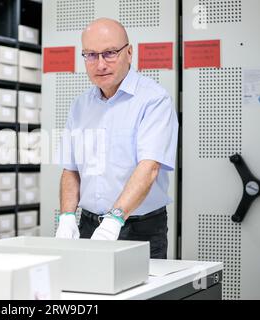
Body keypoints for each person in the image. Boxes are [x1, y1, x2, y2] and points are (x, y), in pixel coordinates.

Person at [55, 18, 178, 259]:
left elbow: (149, 168)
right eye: (90, 55)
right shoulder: (80, 106)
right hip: (89, 225)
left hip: (139, 227)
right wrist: (67, 216)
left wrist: (115, 219)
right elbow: (70, 169)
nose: (100, 64)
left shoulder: (153, 100)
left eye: (109, 53)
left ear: (129, 53)